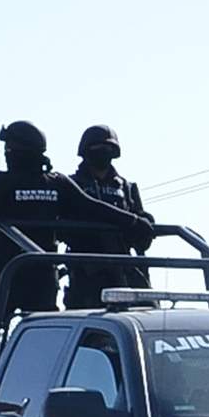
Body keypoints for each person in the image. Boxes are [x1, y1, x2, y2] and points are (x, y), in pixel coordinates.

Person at [0, 122, 152, 385]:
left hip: (6, 277)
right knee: (36, 341)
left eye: (10, 148)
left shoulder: (1, 182)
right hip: (36, 280)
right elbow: (92, 207)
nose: (7, 153)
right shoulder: (56, 183)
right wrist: (133, 221)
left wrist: (135, 220)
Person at [63, 125, 155, 310]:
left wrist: (144, 222)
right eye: (97, 148)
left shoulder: (126, 187)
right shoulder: (71, 185)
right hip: (86, 271)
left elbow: (142, 235)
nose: (103, 153)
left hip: (124, 268)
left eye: (108, 149)